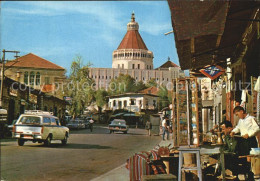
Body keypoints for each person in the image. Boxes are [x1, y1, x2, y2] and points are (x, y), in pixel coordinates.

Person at [231, 106, 260, 180]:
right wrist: (233, 131)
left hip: (250, 141)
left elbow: (257, 129)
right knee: (243, 158)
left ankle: (251, 174)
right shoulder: (241, 121)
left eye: (237, 114)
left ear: (241, 111)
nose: (238, 116)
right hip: (243, 141)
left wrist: (249, 134)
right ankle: (245, 173)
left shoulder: (251, 118)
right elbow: (238, 127)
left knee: (249, 158)